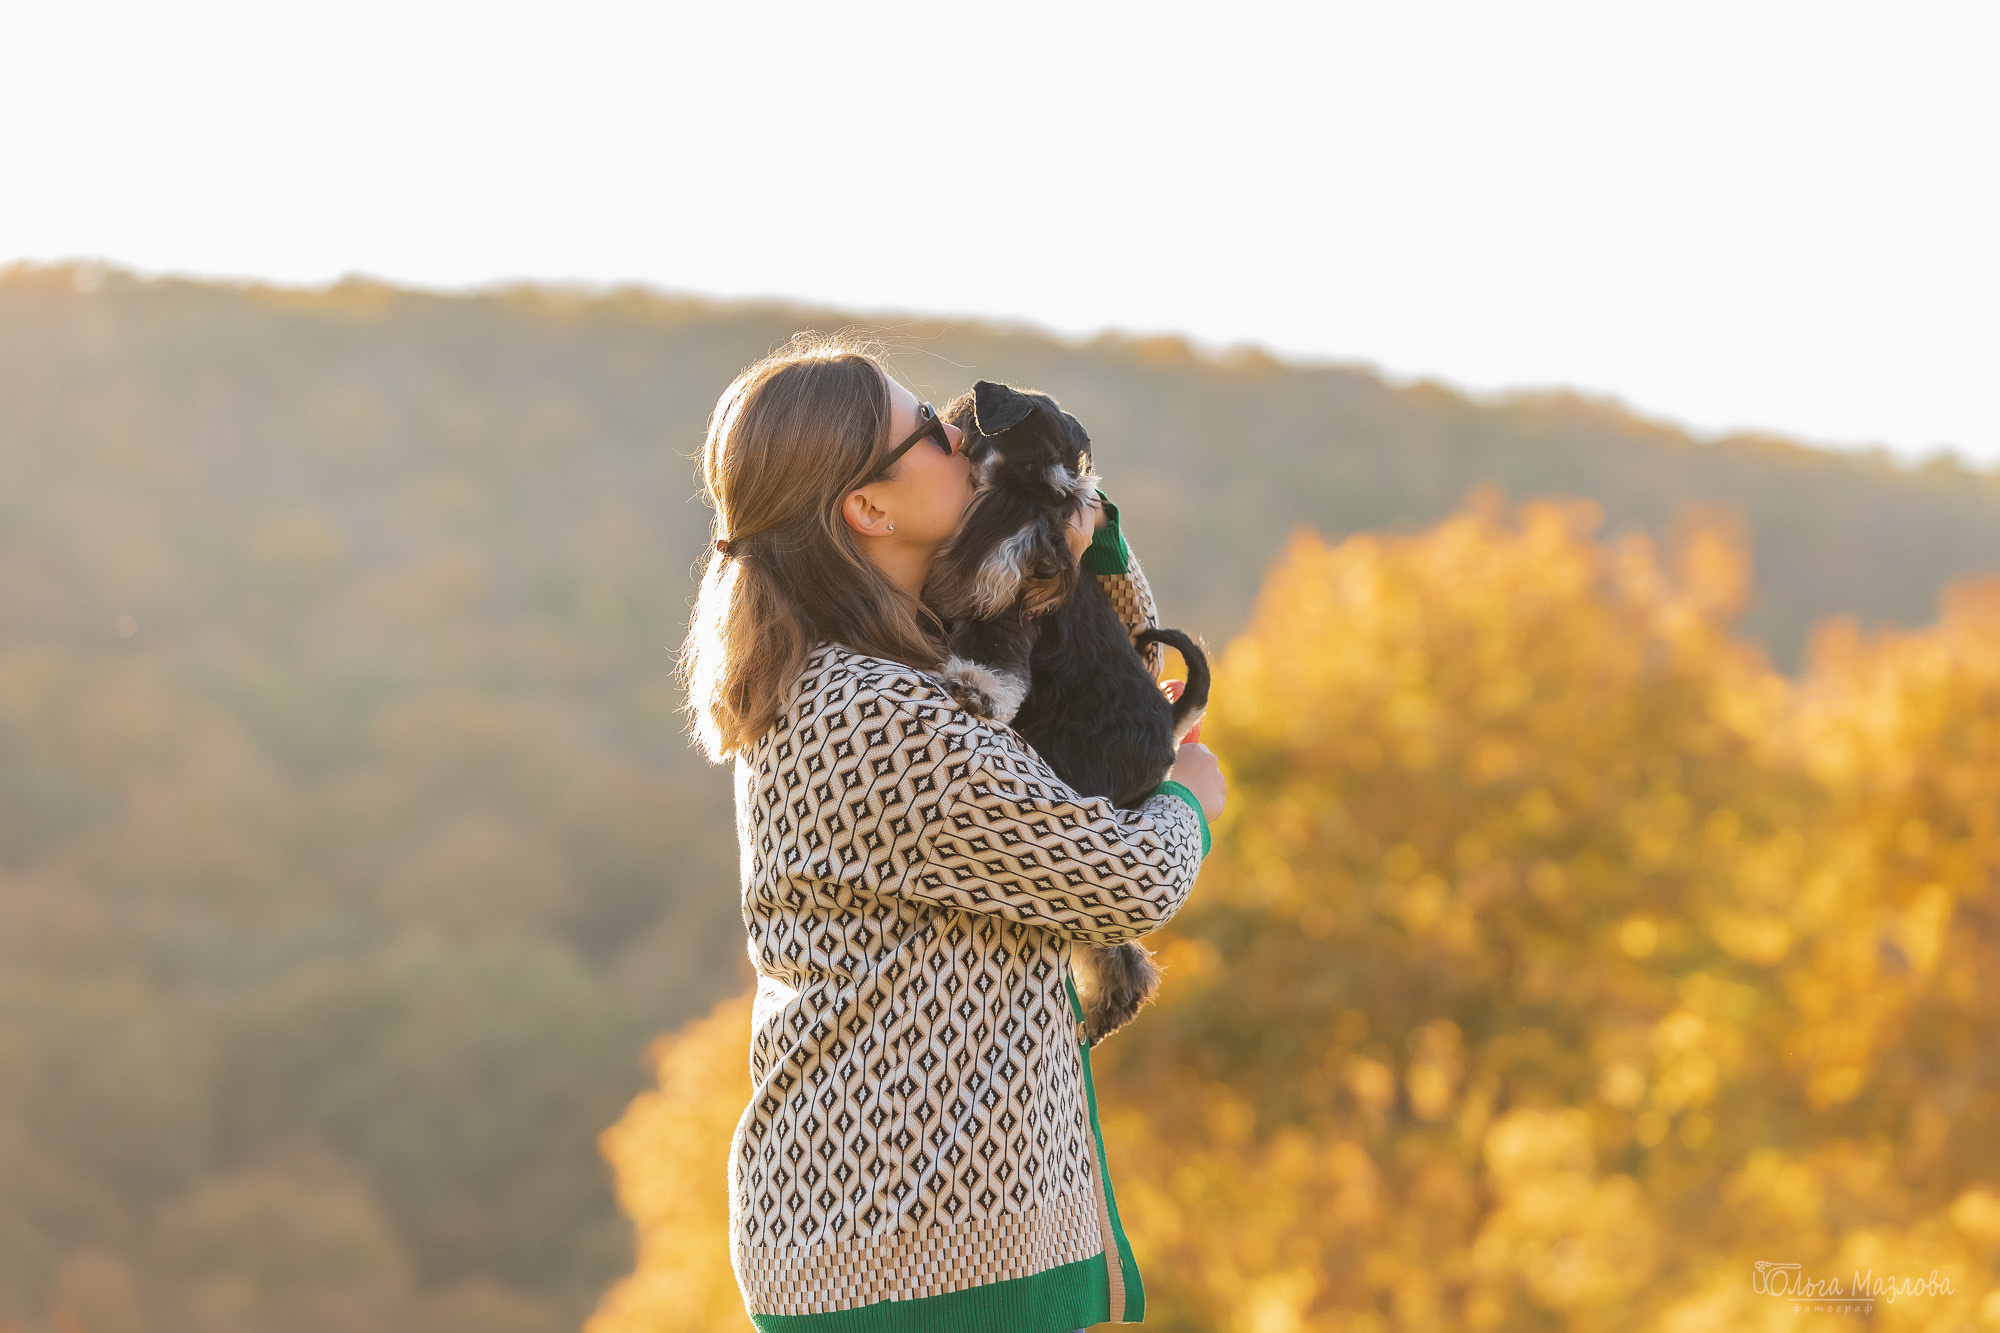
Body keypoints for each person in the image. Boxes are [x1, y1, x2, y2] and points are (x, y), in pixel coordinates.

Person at [679, 334, 1225, 1333]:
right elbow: (1121, 878)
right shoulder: (878, 711)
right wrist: (1192, 795)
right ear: (870, 510)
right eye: (931, 430)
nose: (967, 440)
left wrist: (1080, 524)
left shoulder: (905, 667)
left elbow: (1110, 667)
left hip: (926, 1238)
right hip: (914, 1253)